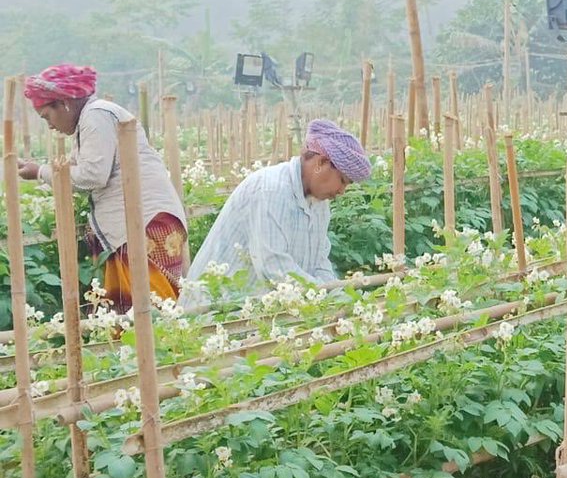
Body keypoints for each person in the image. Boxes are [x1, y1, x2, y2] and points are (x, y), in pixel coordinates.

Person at [19, 64, 187, 313]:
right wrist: (42, 174)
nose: (50, 126)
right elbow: (79, 169)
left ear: (63, 103)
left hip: (146, 223)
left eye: (47, 116)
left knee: (153, 311)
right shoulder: (91, 120)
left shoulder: (96, 117)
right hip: (136, 224)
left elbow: (91, 176)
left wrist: (40, 172)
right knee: (132, 313)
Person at [185, 119, 370, 300]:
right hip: (212, 313)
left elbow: (319, 262)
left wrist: (339, 299)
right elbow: (274, 268)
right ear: (321, 163)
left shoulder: (320, 204)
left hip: (260, 316)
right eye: (343, 181)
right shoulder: (271, 190)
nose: (342, 191)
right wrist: (322, 298)